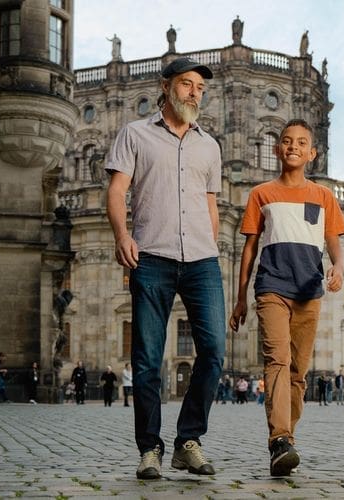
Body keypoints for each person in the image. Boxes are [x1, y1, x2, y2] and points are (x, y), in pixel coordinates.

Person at [106, 57, 225, 479]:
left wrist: (211, 244)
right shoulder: (134, 133)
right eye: (187, 84)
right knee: (146, 359)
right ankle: (150, 448)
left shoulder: (210, 145)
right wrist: (122, 236)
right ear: (167, 86)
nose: (195, 92)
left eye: (200, 88)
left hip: (202, 260)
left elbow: (211, 204)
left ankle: (187, 441)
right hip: (151, 256)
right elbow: (117, 190)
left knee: (213, 351)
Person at [228, 119, 344, 477]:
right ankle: (279, 439)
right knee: (277, 362)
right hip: (272, 287)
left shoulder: (324, 196)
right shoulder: (261, 193)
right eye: (286, 141)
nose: (293, 146)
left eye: (301, 142)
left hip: (309, 290)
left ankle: (287, 439)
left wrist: (338, 268)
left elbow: (335, 245)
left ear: (312, 153)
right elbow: (249, 248)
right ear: (277, 149)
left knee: (298, 372)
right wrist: (240, 299)